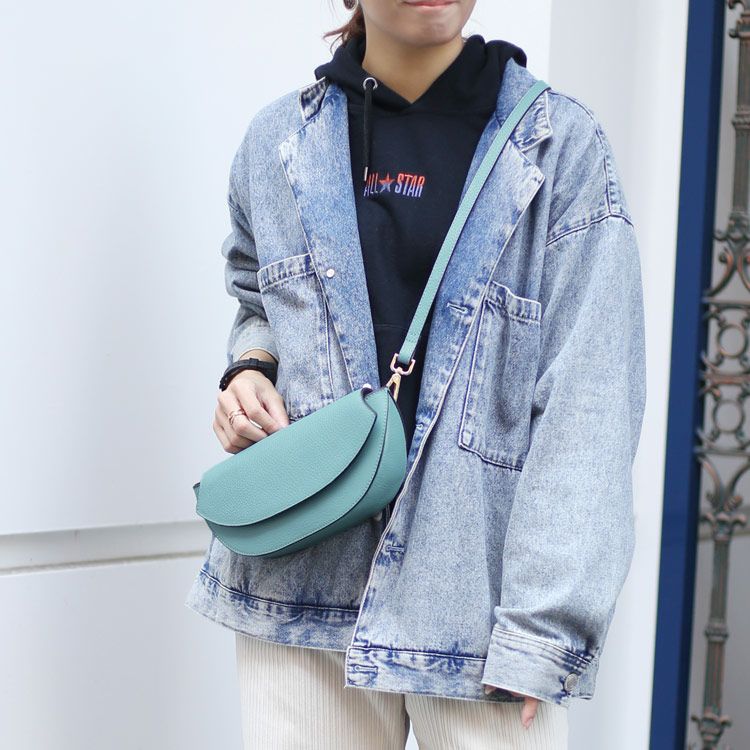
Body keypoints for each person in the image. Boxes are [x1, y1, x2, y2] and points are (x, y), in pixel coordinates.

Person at [184, 1, 647, 748]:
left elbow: (591, 397)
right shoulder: (279, 141)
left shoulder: (559, 148)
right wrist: (250, 367)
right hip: (301, 588)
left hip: (479, 615)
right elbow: (257, 295)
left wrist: (544, 631)